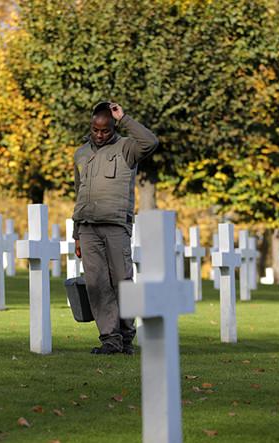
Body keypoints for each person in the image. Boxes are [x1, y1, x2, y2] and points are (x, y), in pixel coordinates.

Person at [72, 101, 159, 354]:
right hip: (87, 226)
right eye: (95, 130)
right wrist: (77, 234)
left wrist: (124, 118)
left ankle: (126, 336)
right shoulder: (81, 154)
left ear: (113, 127)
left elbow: (150, 142)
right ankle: (110, 339)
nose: (99, 135)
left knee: (123, 281)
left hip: (116, 226)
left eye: (105, 130)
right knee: (97, 284)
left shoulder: (127, 148)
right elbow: (78, 192)